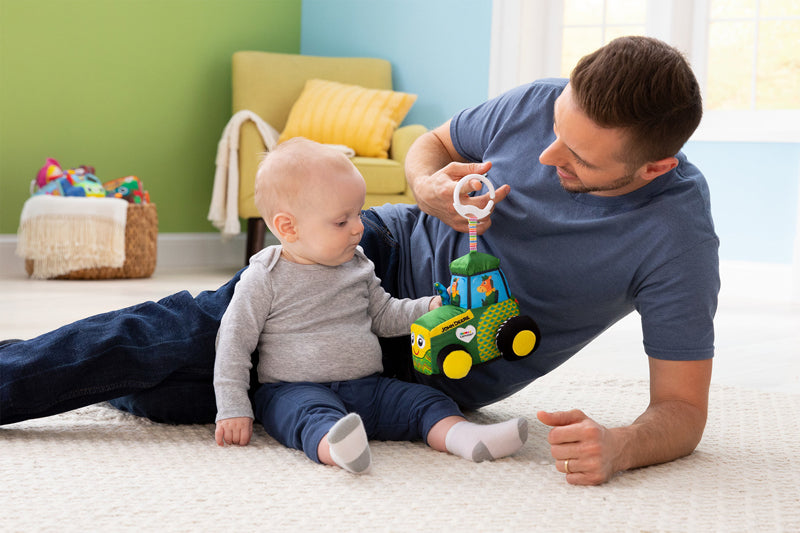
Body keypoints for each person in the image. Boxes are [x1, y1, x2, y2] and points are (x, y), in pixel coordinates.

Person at [0, 36, 718, 486]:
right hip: (366, 251)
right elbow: (429, 148)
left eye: (577, 160)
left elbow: (683, 409)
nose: (547, 153)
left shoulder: (677, 237)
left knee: (174, 393)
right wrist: (428, 187)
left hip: (433, 355)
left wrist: (620, 446)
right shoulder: (536, 105)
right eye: (555, 131)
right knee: (179, 335)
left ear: (654, 167)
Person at [212, 138, 527, 473]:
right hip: (293, 390)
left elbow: (384, 315)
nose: (359, 228)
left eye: (358, 214)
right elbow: (233, 343)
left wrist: (433, 306)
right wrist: (233, 407)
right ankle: (338, 448)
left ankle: (466, 438)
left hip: (368, 387)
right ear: (288, 227)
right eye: (341, 221)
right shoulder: (265, 277)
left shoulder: (357, 263)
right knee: (306, 416)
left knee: (425, 401)